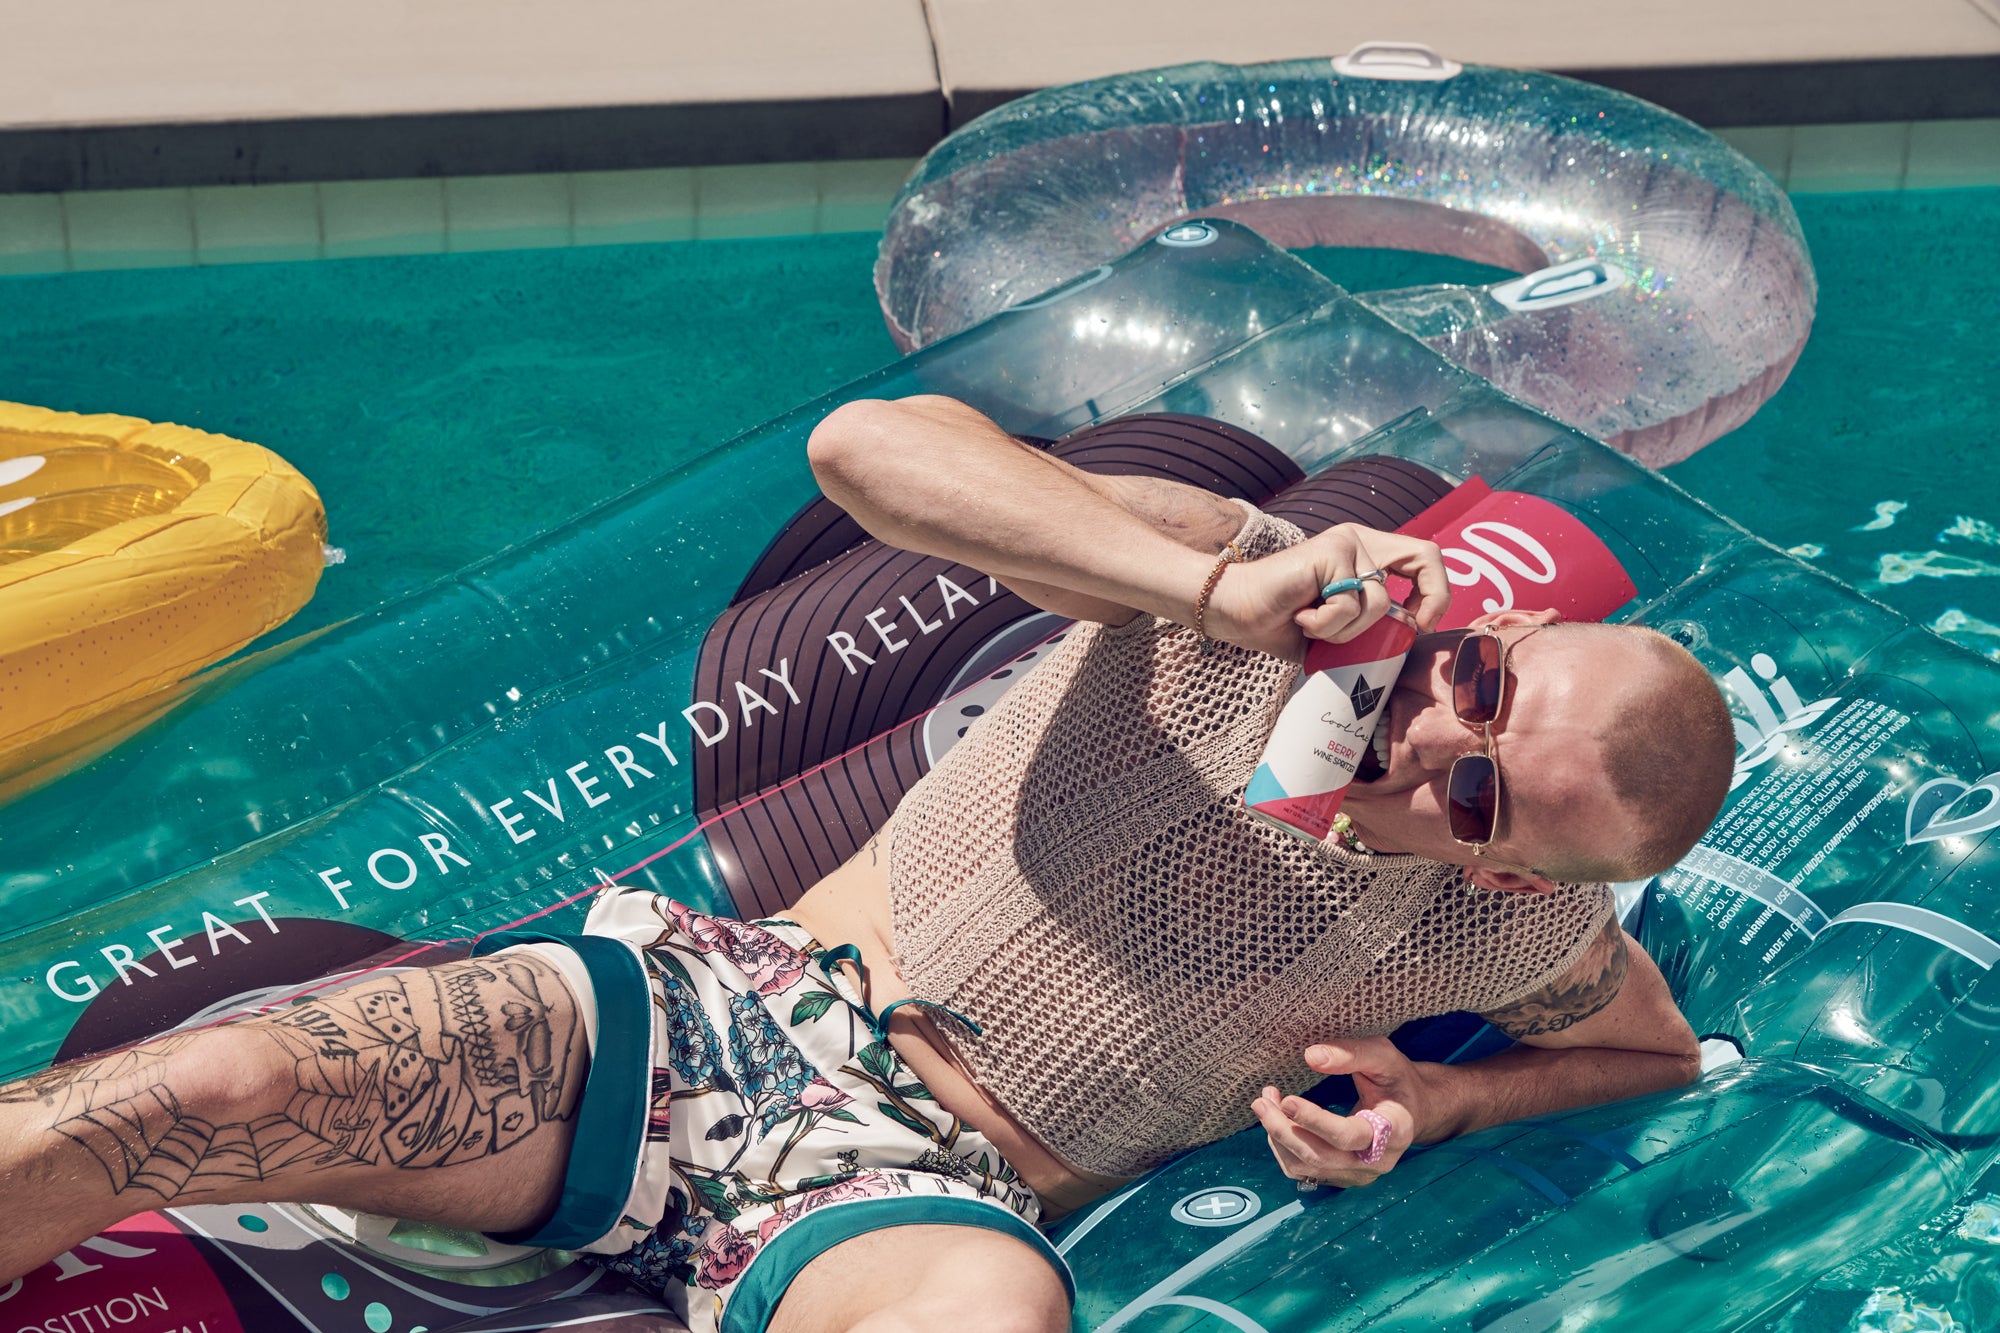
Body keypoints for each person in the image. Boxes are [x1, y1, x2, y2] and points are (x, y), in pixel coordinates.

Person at [0, 395, 1738, 1333]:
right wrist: (1208, 588)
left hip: (917, 1193)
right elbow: (865, 449)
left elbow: (1653, 1047)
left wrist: (1436, 1112)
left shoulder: (1506, 939)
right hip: (710, 1020)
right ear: (1491, 621)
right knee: (204, 1077)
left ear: (1518, 875)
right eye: (1485, 681)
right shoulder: (1253, 589)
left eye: (1494, 793)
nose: (1444, 737)